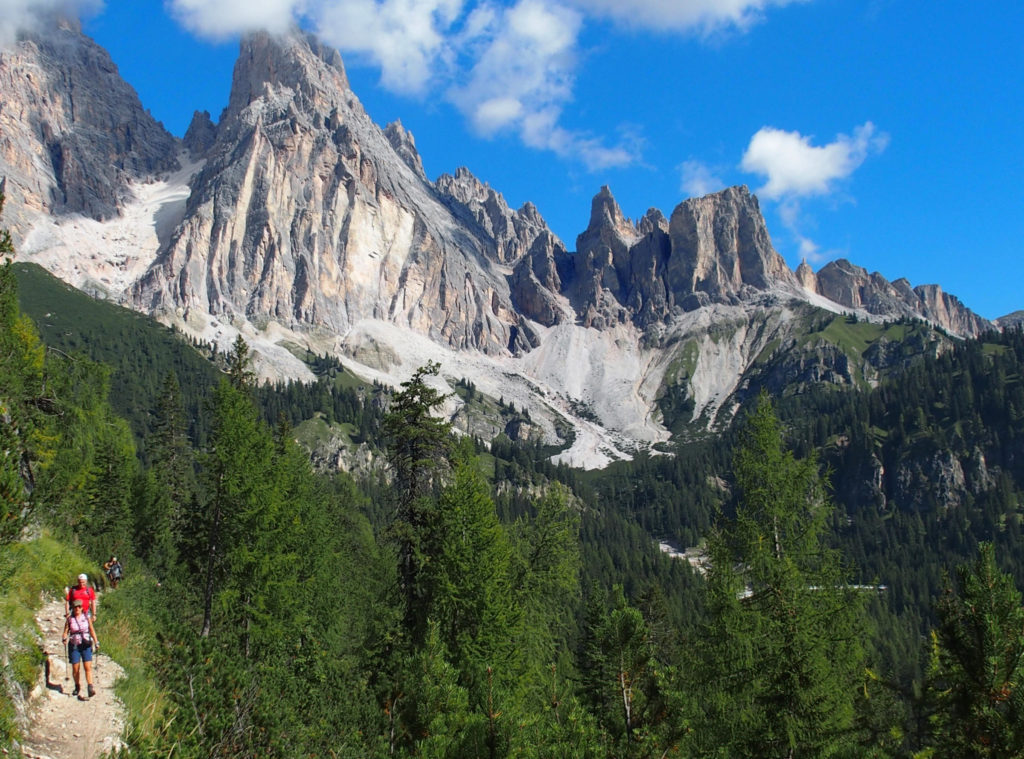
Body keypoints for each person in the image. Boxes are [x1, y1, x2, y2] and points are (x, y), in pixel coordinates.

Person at [61, 599, 99, 699]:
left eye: (79, 607)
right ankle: (77, 686)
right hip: (75, 645)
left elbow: (91, 630)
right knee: (75, 668)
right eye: (75, 607)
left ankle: (90, 687)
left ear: (82, 608)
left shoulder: (86, 618)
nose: (77, 609)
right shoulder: (69, 619)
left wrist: (96, 641)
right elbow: (65, 631)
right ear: (72, 608)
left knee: (87, 667)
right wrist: (64, 638)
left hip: (86, 644)